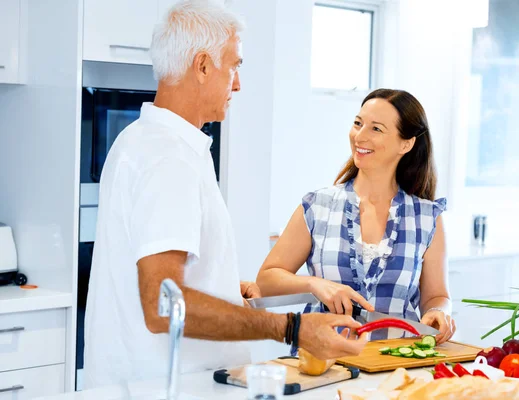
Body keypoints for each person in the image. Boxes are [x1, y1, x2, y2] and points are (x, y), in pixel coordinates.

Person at [83, 0, 366, 390]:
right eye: (234, 66)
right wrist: (293, 328)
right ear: (202, 66)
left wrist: (218, 290)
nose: (237, 84)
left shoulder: (143, 141)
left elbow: (156, 276)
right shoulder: (168, 157)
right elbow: (164, 307)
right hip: (169, 387)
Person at [257, 89, 456, 344]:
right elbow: (266, 280)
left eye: (376, 129)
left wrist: (439, 312)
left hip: (394, 366)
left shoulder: (428, 218)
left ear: (406, 144)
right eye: (358, 123)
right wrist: (314, 284)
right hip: (323, 364)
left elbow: (436, 296)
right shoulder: (318, 206)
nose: (359, 136)